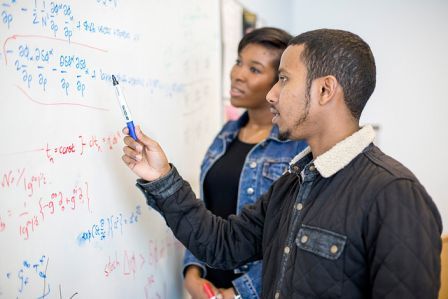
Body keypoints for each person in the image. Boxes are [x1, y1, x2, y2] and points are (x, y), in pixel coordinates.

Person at [121, 29, 443, 298]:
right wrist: (161, 177)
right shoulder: (293, 184)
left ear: (325, 90)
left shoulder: (395, 195)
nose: (272, 94)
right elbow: (222, 243)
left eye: (284, 79)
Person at [182, 27, 307, 299]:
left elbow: (292, 241)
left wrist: (238, 293)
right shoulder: (226, 134)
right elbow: (204, 211)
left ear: (279, 83)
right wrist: (193, 273)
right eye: (239, 62)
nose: (237, 74)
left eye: (254, 69)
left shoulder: (298, 149)